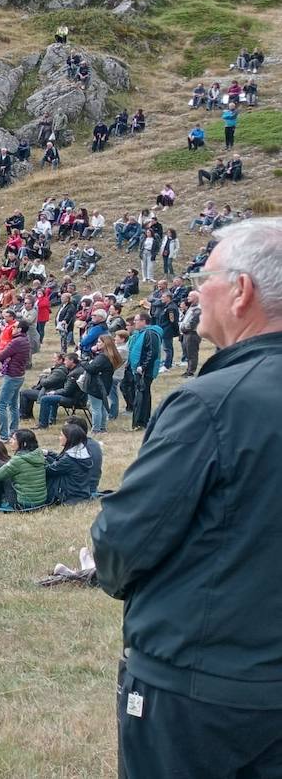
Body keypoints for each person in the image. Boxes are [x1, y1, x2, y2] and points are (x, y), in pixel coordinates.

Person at [92, 218, 282, 777]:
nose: (196, 291)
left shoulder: (211, 403)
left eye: (207, 277)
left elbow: (124, 540)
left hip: (204, 690)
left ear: (242, 291)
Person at [0, 429, 47, 509]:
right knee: (3, 467)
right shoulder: (39, 455)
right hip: (40, 501)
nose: (10, 441)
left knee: (1, 472)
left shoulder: (18, 460)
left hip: (22, 504)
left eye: (14, 439)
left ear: (24, 444)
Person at [44, 422, 100, 503]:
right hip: (81, 491)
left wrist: (39, 460)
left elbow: (48, 470)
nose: (59, 438)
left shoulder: (68, 459)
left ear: (68, 438)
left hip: (69, 495)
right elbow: (61, 460)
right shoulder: (81, 451)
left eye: (61, 435)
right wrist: (48, 453)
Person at [0, 320, 32, 440]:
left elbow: (1, 356)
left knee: (1, 405)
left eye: (15, 327)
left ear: (20, 329)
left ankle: (4, 435)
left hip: (12, 375)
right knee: (13, 405)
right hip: (20, 375)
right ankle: (14, 431)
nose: (12, 329)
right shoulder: (25, 340)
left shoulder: (16, 342)